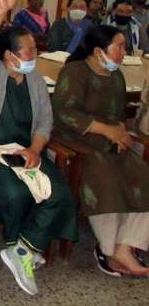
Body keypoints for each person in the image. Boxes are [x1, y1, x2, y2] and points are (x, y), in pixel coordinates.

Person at [0, 0, 77, 295]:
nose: (34, 54)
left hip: (24, 152)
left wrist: (36, 149)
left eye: (35, 49)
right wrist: (2, 10)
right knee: (15, 194)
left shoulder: (35, 79)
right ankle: (22, 248)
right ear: (9, 55)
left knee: (60, 194)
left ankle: (22, 249)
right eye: (29, 50)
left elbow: (46, 120)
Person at [52, 24, 149, 277]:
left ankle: (125, 247)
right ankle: (107, 249)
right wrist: (107, 131)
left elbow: (118, 114)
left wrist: (119, 131)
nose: (123, 52)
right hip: (79, 141)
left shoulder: (116, 75)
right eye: (118, 46)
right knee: (106, 181)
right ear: (98, 50)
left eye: (124, 47)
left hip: (112, 141)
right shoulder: (74, 72)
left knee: (142, 177)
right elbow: (64, 112)